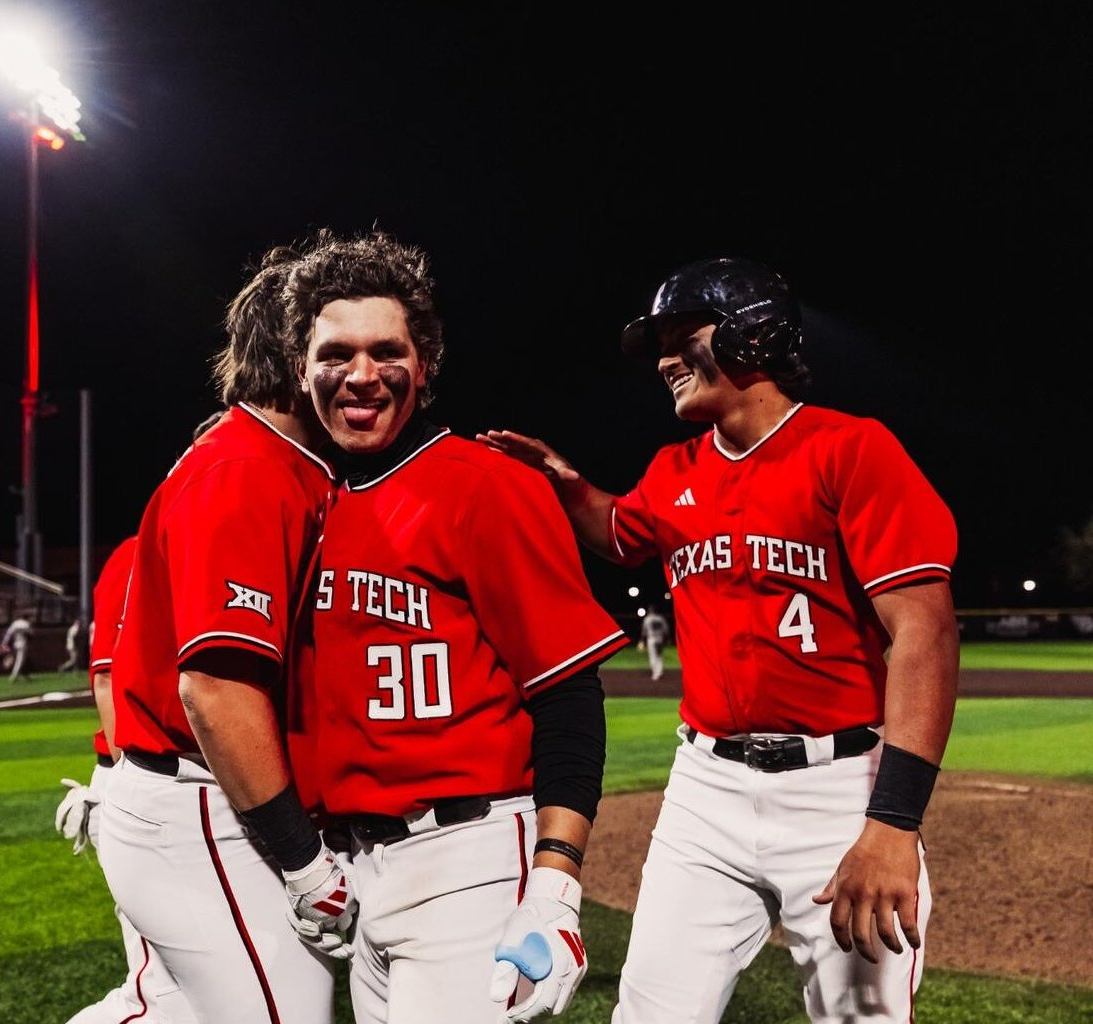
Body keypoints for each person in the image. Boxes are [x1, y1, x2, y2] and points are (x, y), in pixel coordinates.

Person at [481, 257, 959, 1023]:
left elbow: (925, 637)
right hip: (706, 791)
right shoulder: (674, 471)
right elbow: (617, 530)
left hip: (839, 790)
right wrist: (565, 483)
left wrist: (894, 825)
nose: (666, 359)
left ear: (754, 335)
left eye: (683, 336)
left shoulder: (852, 450)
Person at [284, 231, 626, 1024]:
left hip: (468, 863)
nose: (363, 375)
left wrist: (555, 886)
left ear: (424, 366)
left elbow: (569, 699)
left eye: (387, 351)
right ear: (302, 368)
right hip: (352, 868)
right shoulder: (307, 499)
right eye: (336, 352)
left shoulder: (489, 488)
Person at [98, 248, 346, 1024]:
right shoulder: (248, 467)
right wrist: (305, 865)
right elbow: (213, 689)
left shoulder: (281, 461)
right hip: (201, 806)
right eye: (333, 344)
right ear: (292, 350)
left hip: (198, 800)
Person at [55, 535, 198, 1024]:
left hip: (161, 787)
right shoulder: (138, 550)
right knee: (161, 996)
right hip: (137, 782)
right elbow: (106, 679)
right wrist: (131, 791)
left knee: (199, 991)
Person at [0, 613, 32, 681]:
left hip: (15, 643)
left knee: (23, 661)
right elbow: (30, 635)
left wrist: (4, 643)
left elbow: (8, 633)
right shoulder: (26, 624)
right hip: (23, 644)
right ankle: (13, 677)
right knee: (19, 661)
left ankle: (24, 675)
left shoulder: (15, 623)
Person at [640, 605, 669, 682]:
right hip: (660, 639)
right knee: (659, 656)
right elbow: (666, 630)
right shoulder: (660, 618)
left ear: (650, 611)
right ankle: (660, 671)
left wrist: (642, 641)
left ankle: (655, 674)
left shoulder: (647, 619)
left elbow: (644, 631)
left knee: (653, 656)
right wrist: (666, 639)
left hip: (651, 639)